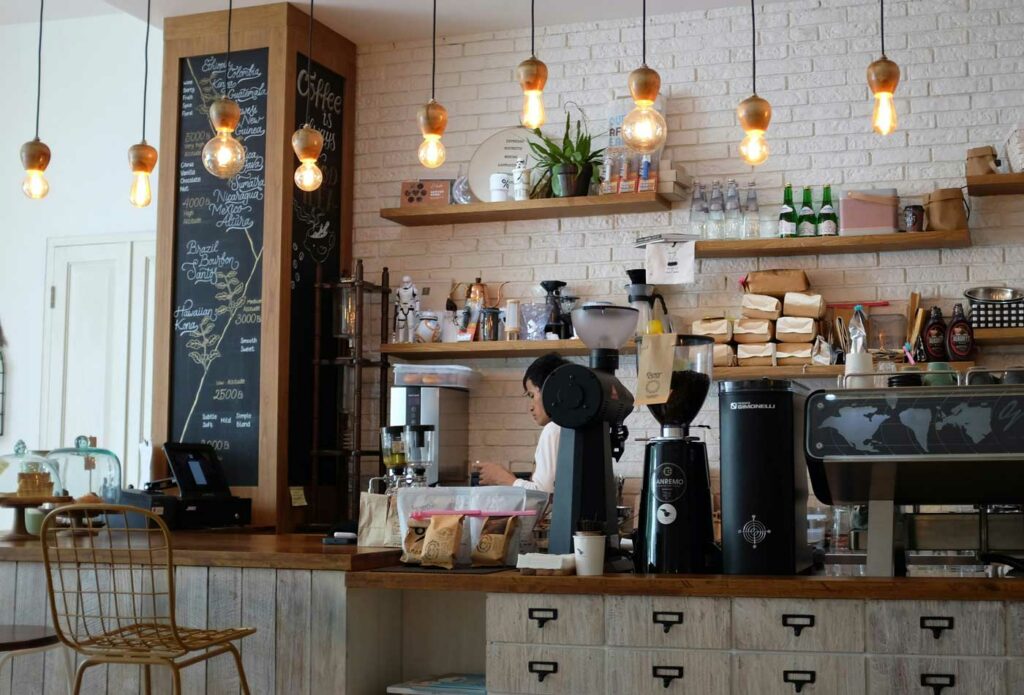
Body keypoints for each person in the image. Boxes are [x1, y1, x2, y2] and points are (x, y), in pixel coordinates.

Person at [473, 353, 569, 493]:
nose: (530, 406)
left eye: (532, 395)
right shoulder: (570, 427)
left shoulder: (553, 430)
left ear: (550, 390)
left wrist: (502, 478)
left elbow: (543, 495)